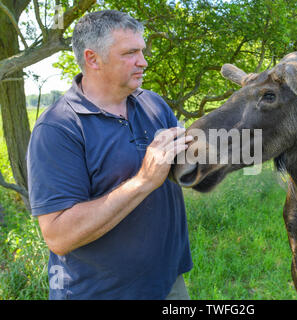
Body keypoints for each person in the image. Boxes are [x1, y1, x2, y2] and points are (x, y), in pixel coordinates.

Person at [27, 10, 194, 299]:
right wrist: (143, 180)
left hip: (169, 284)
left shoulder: (153, 104)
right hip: (101, 292)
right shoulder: (58, 128)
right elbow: (58, 236)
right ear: (93, 59)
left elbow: (187, 161)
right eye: (130, 53)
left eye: (141, 51)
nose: (143, 61)